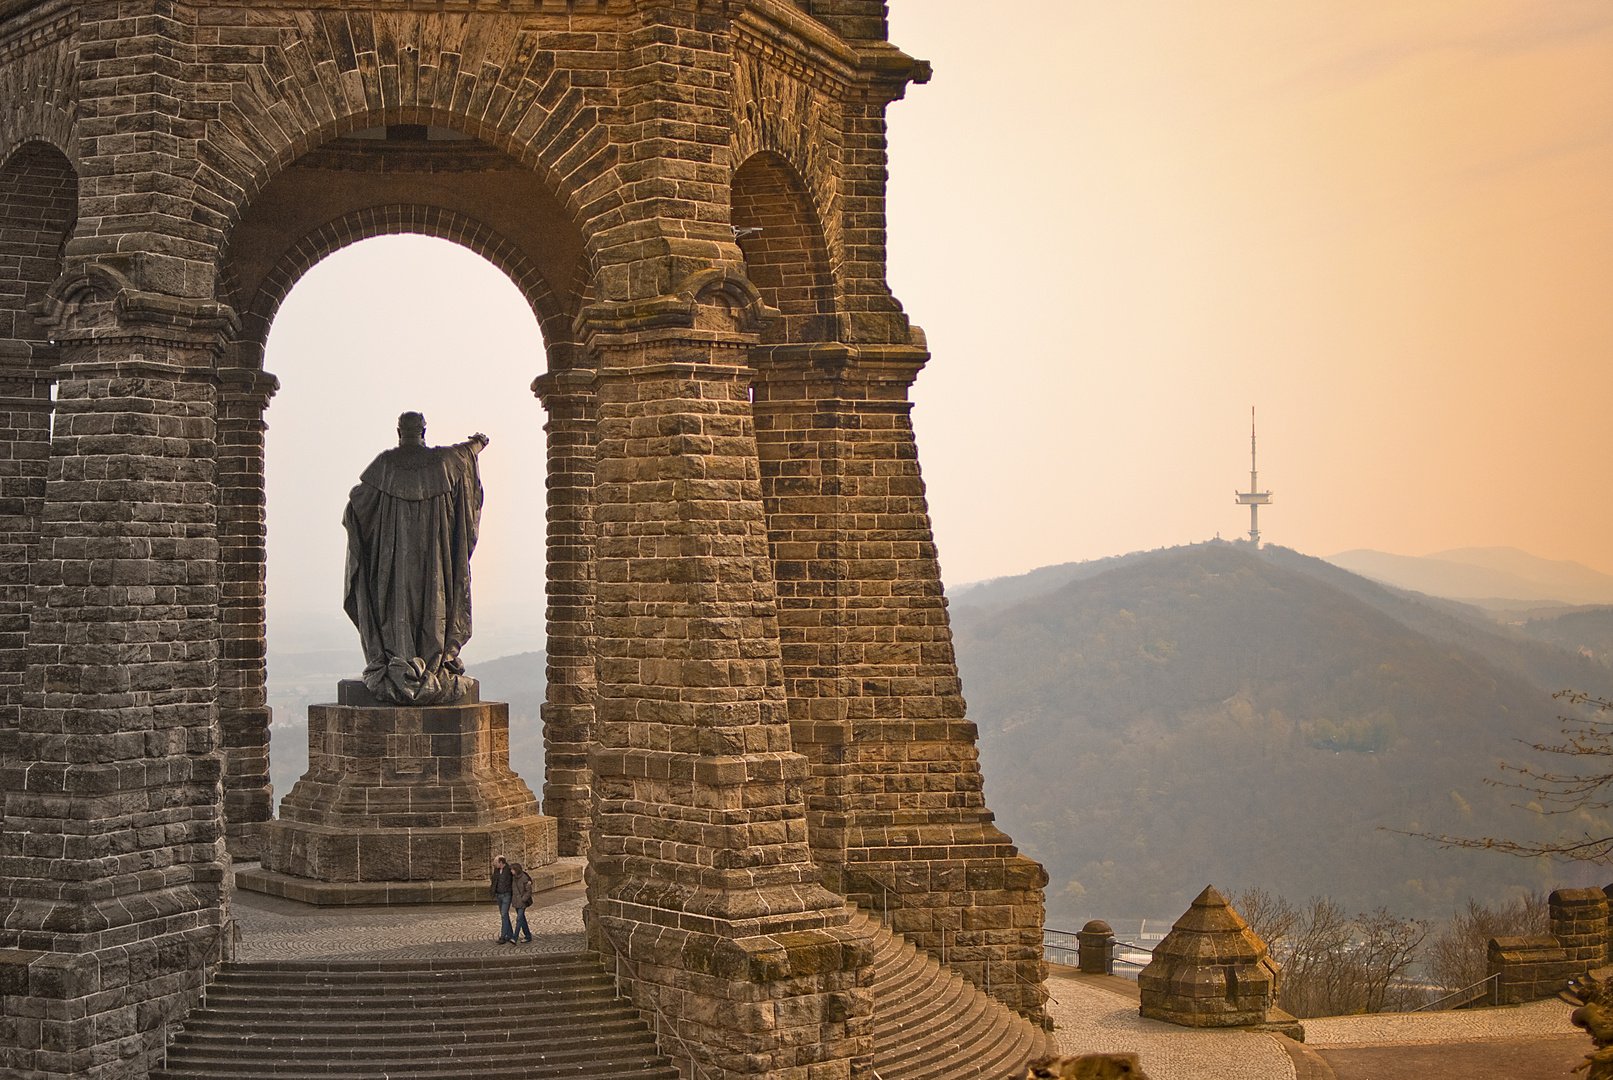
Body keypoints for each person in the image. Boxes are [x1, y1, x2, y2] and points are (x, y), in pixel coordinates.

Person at [343, 412, 489, 705]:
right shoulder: (441, 463)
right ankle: (431, 660)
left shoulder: (385, 466)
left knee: (396, 606)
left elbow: (359, 501)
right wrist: (477, 443)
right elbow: (462, 454)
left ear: (399, 431)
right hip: (435, 557)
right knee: (434, 602)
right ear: (424, 430)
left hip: (394, 560)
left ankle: (400, 658)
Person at [490, 854, 515, 944]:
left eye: (496, 863)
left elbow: (519, 874)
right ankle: (510, 934)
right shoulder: (496, 871)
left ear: (501, 862)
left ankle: (503, 936)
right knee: (504, 915)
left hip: (506, 895)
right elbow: (494, 880)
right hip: (499, 895)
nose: (494, 864)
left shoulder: (509, 870)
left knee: (504, 914)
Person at [509, 861, 534, 944]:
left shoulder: (524, 878)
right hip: (516, 901)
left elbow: (528, 891)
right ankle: (528, 936)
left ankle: (515, 937)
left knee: (519, 919)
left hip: (522, 902)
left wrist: (523, 899)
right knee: (522, 919)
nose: (511, 871)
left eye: (512, 870)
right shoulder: (513, 877)